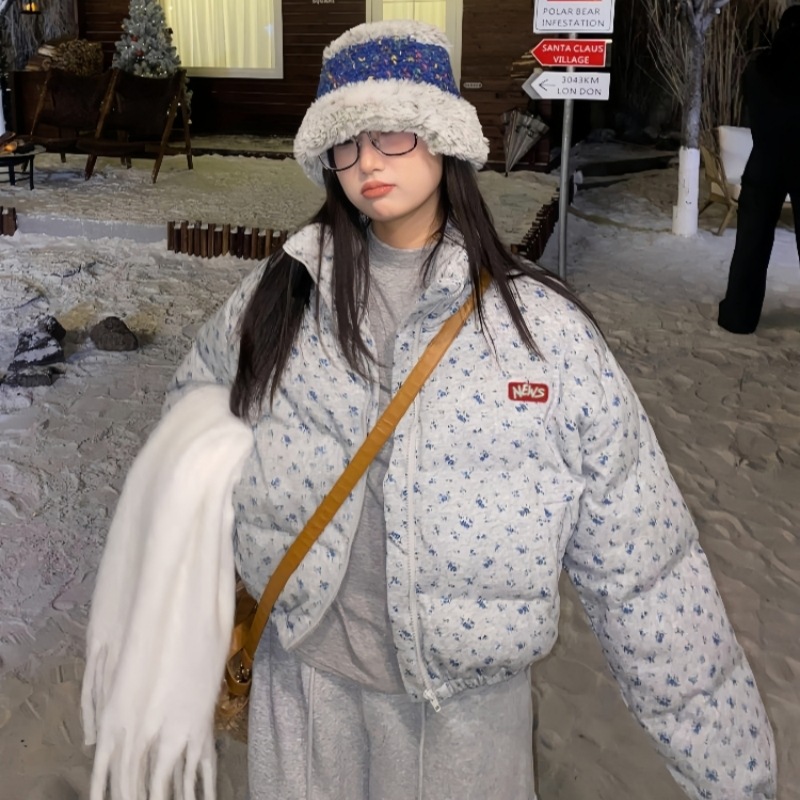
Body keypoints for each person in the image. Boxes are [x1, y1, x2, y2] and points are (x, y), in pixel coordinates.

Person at [166, 20, 775, 800]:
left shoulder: (542, 335)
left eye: (390, 133)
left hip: (460, 723)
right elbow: (187, 442)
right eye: (345, 143)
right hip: (303, 696)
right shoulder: (279, 297)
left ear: (443, 138)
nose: (367, 162)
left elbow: (649, 572)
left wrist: (736, 778)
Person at [718, 4, 800, 334]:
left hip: (764, 159)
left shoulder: (758, 68)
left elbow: (751, 106)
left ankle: (738, 317)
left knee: (751, 245)